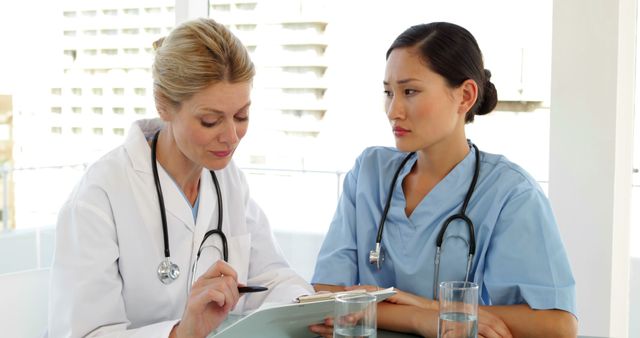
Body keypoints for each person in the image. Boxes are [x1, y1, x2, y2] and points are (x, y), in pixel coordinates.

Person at [48, 18, 313, 338]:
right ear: (163, 104)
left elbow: (273, 278)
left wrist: (310, 309)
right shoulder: (100, 196)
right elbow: (84, 333)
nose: (231, 136)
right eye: (211, 120)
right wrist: (180, 333)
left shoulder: (228, 182)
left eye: (242, 116)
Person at [310, 22, 577, 338]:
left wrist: (403, 308)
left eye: (410, 91)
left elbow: (556, 325)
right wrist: (423, 317)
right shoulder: (370, 172)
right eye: (388, 92)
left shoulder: (511, 193)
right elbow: (327, 298)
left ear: (465, 96)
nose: (393, 110)